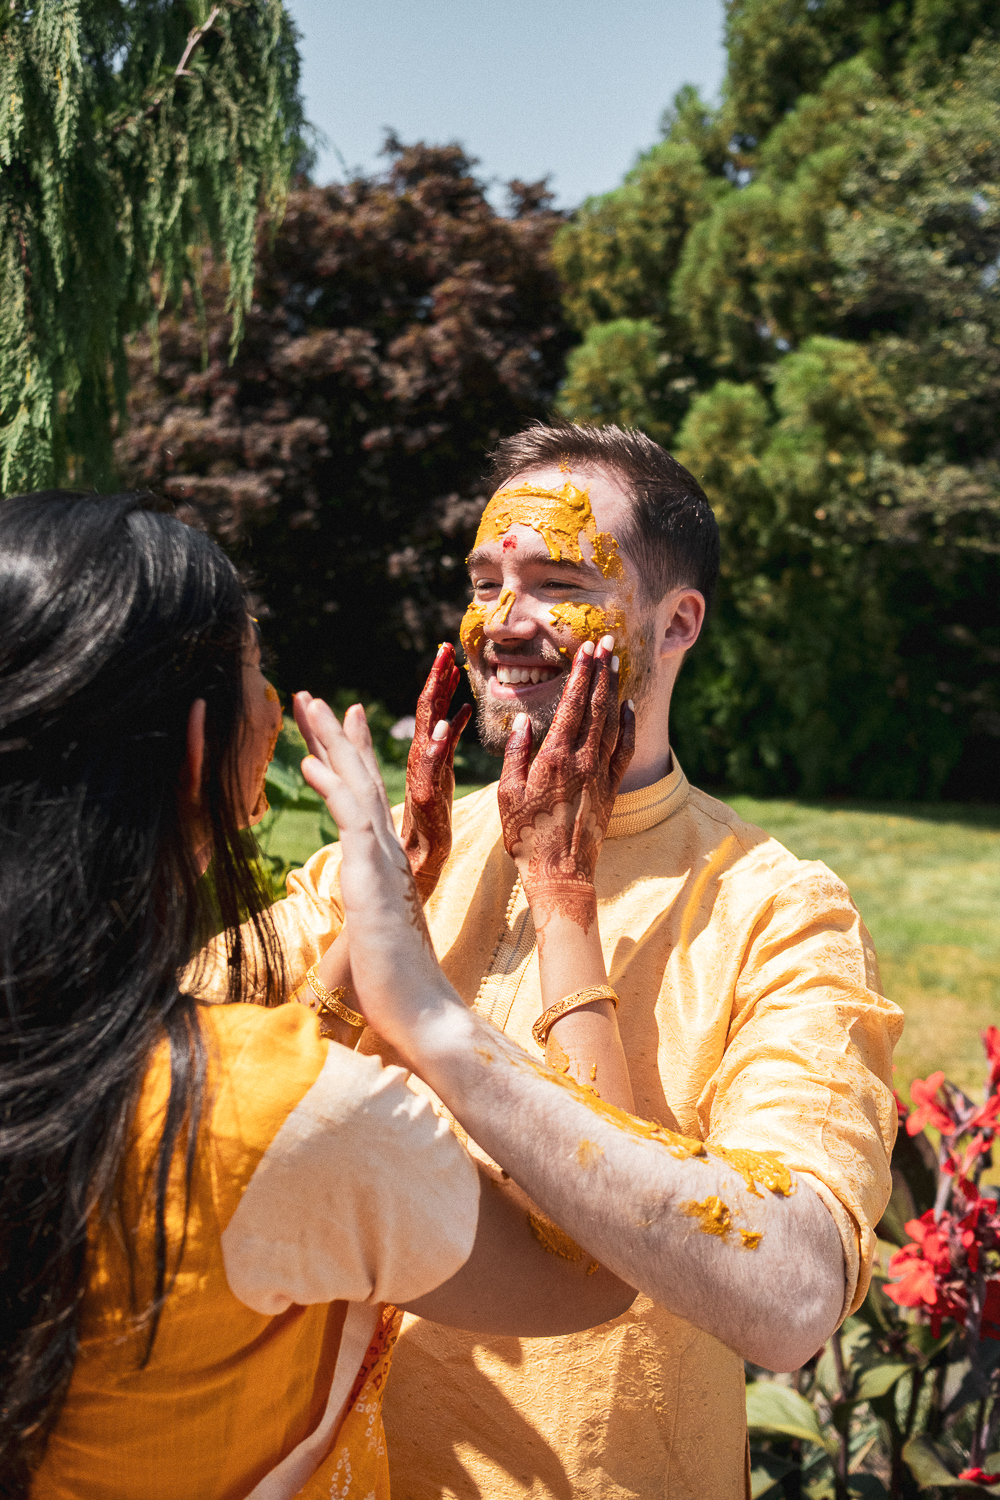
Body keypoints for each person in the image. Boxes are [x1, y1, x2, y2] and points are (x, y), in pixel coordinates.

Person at [214, 421, 905, 1499]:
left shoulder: (775, 908)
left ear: (676, 623)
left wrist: (556, 899)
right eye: (486, 581)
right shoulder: (397, 845)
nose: (503, 621)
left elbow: (791, 1298)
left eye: (556, 579)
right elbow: (175, 1093)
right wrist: (379, 908)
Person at [0, 490, 636, 1500]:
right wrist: (561, 901)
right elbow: (599, 1259)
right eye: (257, 667)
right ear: (199, 750)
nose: (508, 619)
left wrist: (381, 910)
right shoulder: (259, 1119)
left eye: (558, 585)